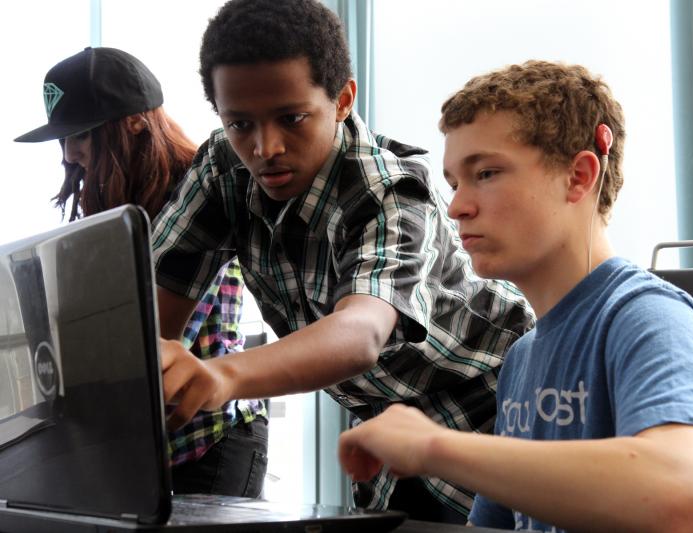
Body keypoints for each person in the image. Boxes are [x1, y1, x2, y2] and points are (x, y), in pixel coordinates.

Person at [150, 0, 533, 522]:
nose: (265, 148)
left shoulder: (390, 192)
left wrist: (225, 376)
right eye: (240, 123)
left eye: (291, 118)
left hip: (500, 415)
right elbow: (155, 311)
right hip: (389, 431)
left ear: (343, 99)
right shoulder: (223, 169)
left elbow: (360, 333)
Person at [337, 60, 693, 532]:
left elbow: (682, 499)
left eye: (487, 173)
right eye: (454, 183)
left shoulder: (651, 318)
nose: (456, 206)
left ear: (579, 176)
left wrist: (434, 447)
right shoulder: (521, 359)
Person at [14, 47, 269, 499]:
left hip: (210, 440)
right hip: (146, 443)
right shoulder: (114, 210)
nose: (70, 154)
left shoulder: (197, 194)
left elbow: (157, 337)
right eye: (65, 138)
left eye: (84, 135)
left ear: (135, 122)